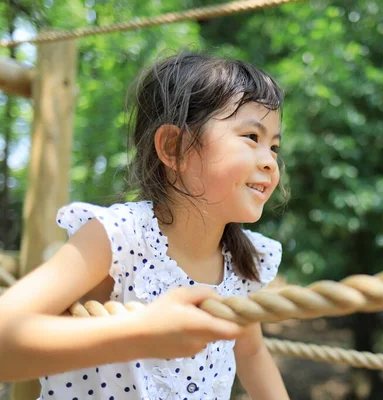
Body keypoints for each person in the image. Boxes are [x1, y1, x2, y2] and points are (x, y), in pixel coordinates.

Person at [0, 52, 290, 399]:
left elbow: (252, 353)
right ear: (174, 147)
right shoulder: (118, 236)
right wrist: (139, 332)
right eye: (252, 138)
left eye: (274, 146)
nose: (271, 162)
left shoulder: (243, 264)